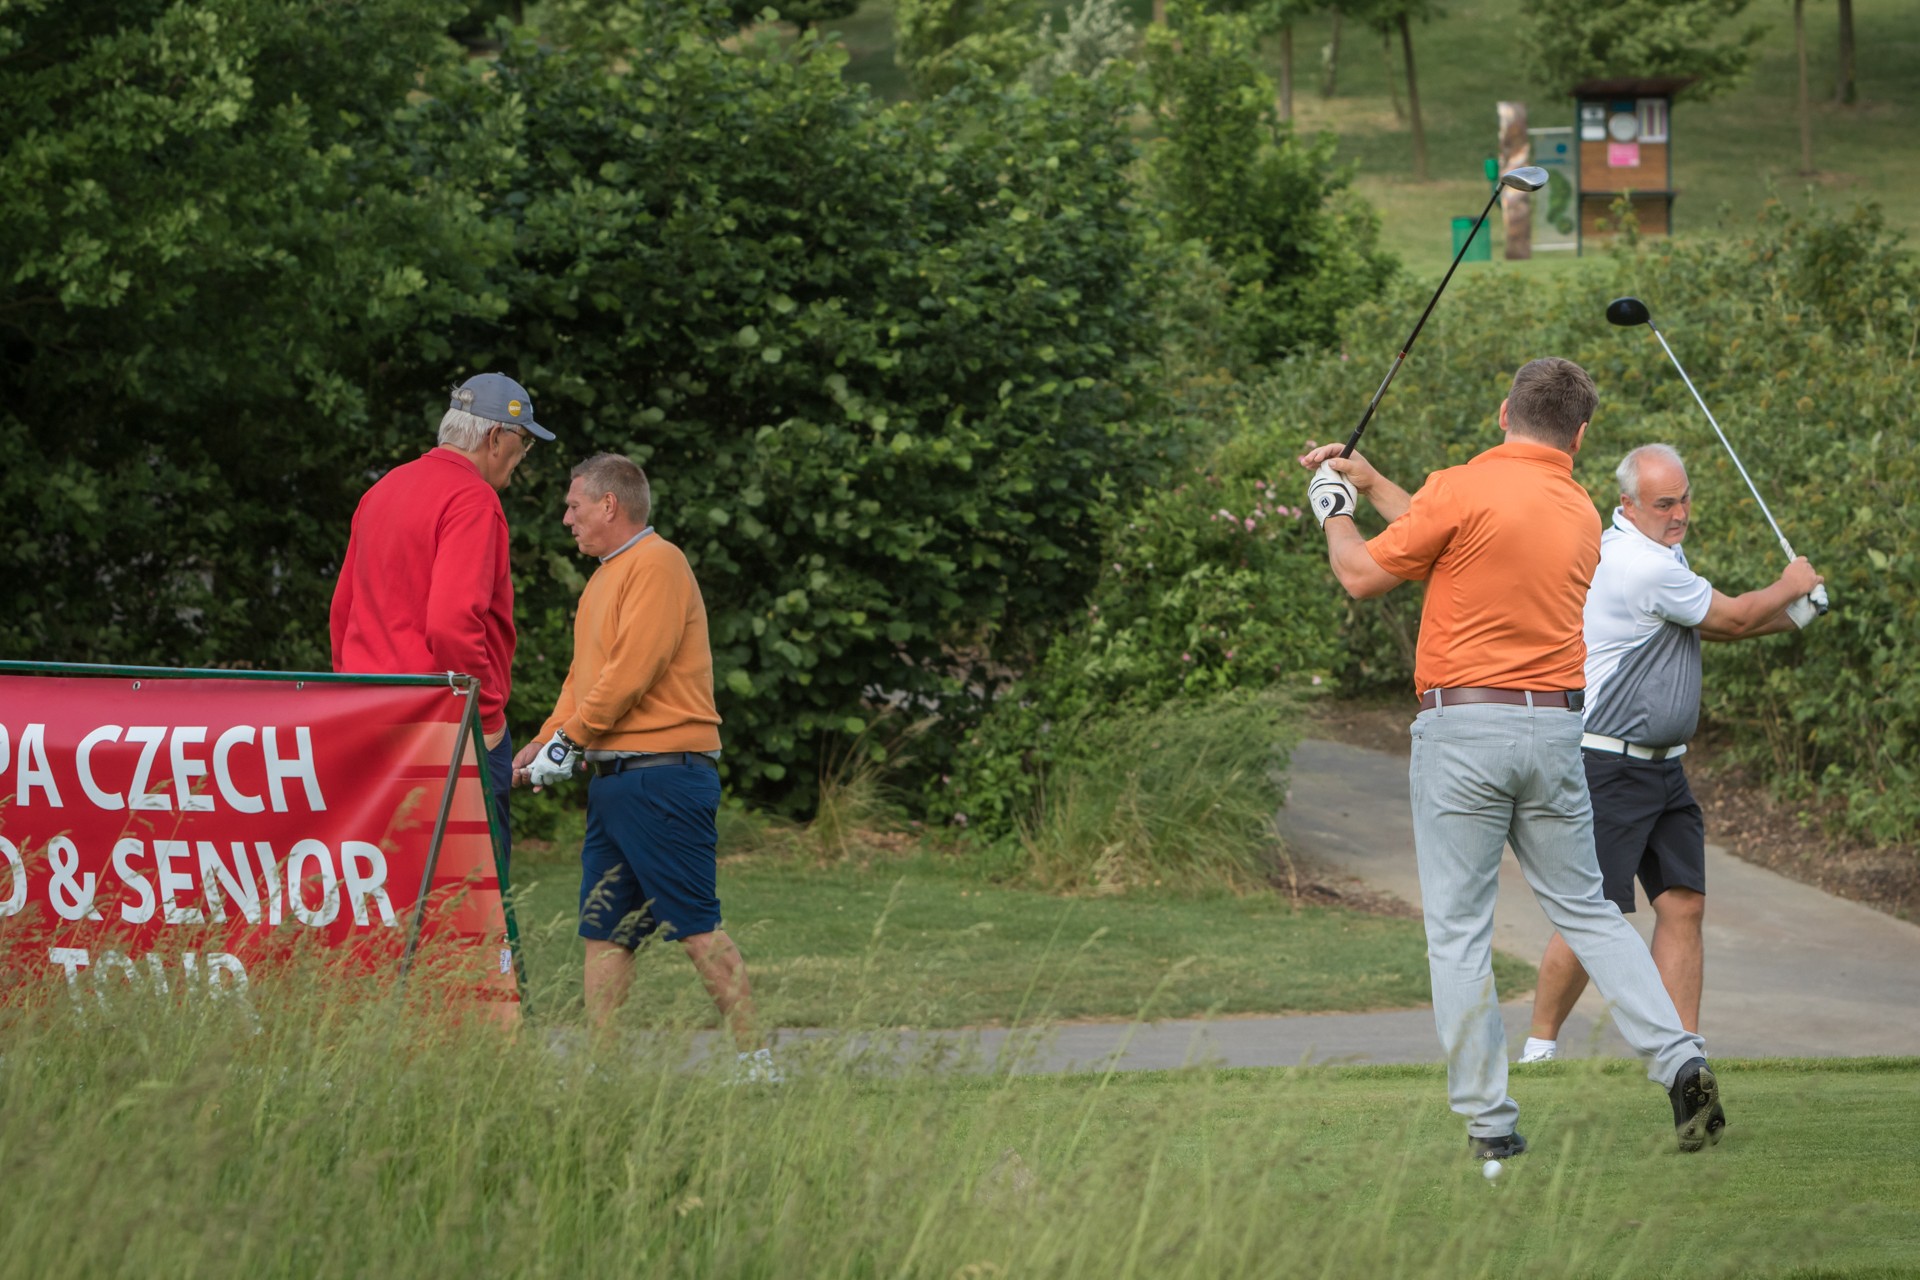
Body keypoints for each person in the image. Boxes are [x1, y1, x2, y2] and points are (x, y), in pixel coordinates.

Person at [1298, 357, 1725, 1157]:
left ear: (1503, 412)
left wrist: (1334, 507)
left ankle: (1491, 1125)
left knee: (1460, 930)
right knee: (1589, 910)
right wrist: (1376, 482)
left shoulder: (1461, 487)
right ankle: (1681, 1061)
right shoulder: (1577, 511)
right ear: (1581, 435)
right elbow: (1459, 536)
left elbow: (1362, 573)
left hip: (1464, 731)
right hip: (1556, 734)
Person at [1518, 444, 1822, 1063]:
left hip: (1662, 766)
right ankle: (1539, 1049)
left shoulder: (1660, 552)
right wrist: (1790, 587)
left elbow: (1708, 622)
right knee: (1593, 914)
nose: (1680, 513)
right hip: (1607, 764)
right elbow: (1734, 619)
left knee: (1683, 903)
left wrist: (1794, 617)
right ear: (1628, 504)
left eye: (1684, 499)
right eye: (1664, 504)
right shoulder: (1638, 564)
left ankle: (1684, 1057)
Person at [515, 452, 773, 1079]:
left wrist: (569, 740)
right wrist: (546, 739)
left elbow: (634, 670)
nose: (567, 518)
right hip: (616, 783)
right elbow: (585, 679)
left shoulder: (658, 563)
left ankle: (758, 1064)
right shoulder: (603, 579)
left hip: (663, 776)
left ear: (610, 504)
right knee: (605, 929)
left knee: (696, 925)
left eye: (574, 505)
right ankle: (604, 1070)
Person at [331, 372, 551, 869]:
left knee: (388, 873)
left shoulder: (383, 489)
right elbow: (452, 622)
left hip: (369, 715)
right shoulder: (472, 499)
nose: (522, 457)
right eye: (524, 443)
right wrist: (485, 715)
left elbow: (343, 611)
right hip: (443, 720)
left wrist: (351, 695)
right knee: (472, 882)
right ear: (495, 438)